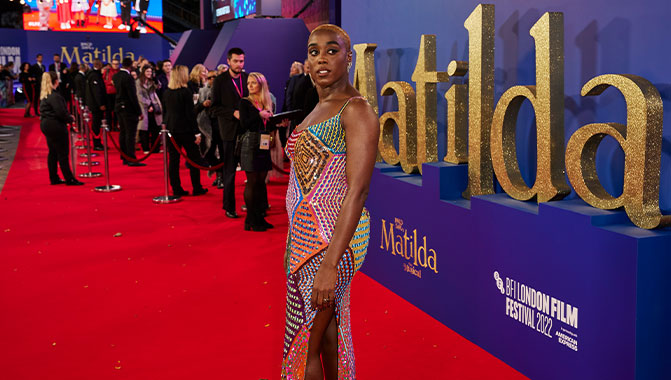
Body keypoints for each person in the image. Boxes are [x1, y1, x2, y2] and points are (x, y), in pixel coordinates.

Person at [281, 24, 379, 379]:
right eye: (313, 51)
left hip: (331, 240)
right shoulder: (320, 106)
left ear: (349, 57)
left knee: (305, 343)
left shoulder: (356, 109)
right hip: (303, 237)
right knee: (326, 335)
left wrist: (330, 264)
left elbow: (358, 190)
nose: (321, 58)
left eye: (332, 50)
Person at [211, 47, 248, 218]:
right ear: (228, 61)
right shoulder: (219, 81)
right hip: (229, 132)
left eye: (241, 61)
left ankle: (254, 203)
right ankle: (229, 206)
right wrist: (232, 113)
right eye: (236, 61)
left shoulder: (248, 79)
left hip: (247, 131)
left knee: (252, 170)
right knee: (230, 171)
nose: (239, 64)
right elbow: (214, 108)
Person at [162, 65, 208, 197]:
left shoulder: (167, 92)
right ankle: (197, 187)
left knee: (174, 160)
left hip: (171, 130)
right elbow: (190, 115)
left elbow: (167, 113)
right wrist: (197, 132)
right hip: (186, 130)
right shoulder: (186, 92)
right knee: (194, 159)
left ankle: (177, 189)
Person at [238, 72, 274, 231]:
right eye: (248, 83)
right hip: (250, 143)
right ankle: (251, 219)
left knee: (261, 183)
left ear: (261, 84)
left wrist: (278, 123)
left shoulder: (266, 101)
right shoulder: (245, 102)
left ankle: (258, 217)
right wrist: (259, 115)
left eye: (253, 83)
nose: (250, 86)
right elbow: (244, 124)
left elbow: (269, 125)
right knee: (252, 182)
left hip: (264, 142)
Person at [38, 72, 84, 186]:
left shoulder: (45, 94)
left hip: (47, 124)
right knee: (62, 153)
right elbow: (60, 112)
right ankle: (69, 178)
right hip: (55, 125)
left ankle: (54, 177)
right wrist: (70, 118)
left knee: (53, 152)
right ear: (56, 81)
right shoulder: (54, 96)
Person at [113, 57, 145, 167]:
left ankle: (124, 156)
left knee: (123, 132)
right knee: (130, 134)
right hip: (129, 109)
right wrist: (139, 111)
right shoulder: (128, 78)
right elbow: (132, 96)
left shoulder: (116, 76)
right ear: (130, 65)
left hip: (119, 107)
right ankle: (131, 158)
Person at [136, 65, 162, 153]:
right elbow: (139, 96)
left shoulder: (152, 80)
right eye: (147, 71)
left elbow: (158, 87)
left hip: (154, 105)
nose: (149, 73)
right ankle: (145, 148)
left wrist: (155, 81)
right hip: (144, 106)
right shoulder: (138, 82)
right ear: (143, 72)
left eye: (150, 72)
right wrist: (148, 104)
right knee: (144, 129)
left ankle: (156, 148)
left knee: (156, 127)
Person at [85, 59, 106, 150]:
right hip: (96, 105)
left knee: (97, 123)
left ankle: (98, 143)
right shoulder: (94, 75)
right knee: (96, 123)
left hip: (95, 104)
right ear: (98, 64)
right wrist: (100, 104)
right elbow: (96, 91)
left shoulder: (94, 74)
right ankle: (96, 144)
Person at [103, 58, 120, 130]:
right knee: (108, 111)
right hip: (109, 93)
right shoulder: (107, 71)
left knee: (116, 111)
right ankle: (109, 125)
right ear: (111, 64)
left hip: (118, 93)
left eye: (117, 64)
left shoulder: (120, 72)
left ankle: (116, 125)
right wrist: (110, 82)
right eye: (114, 64)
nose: (115, 65)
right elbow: (103, 81)